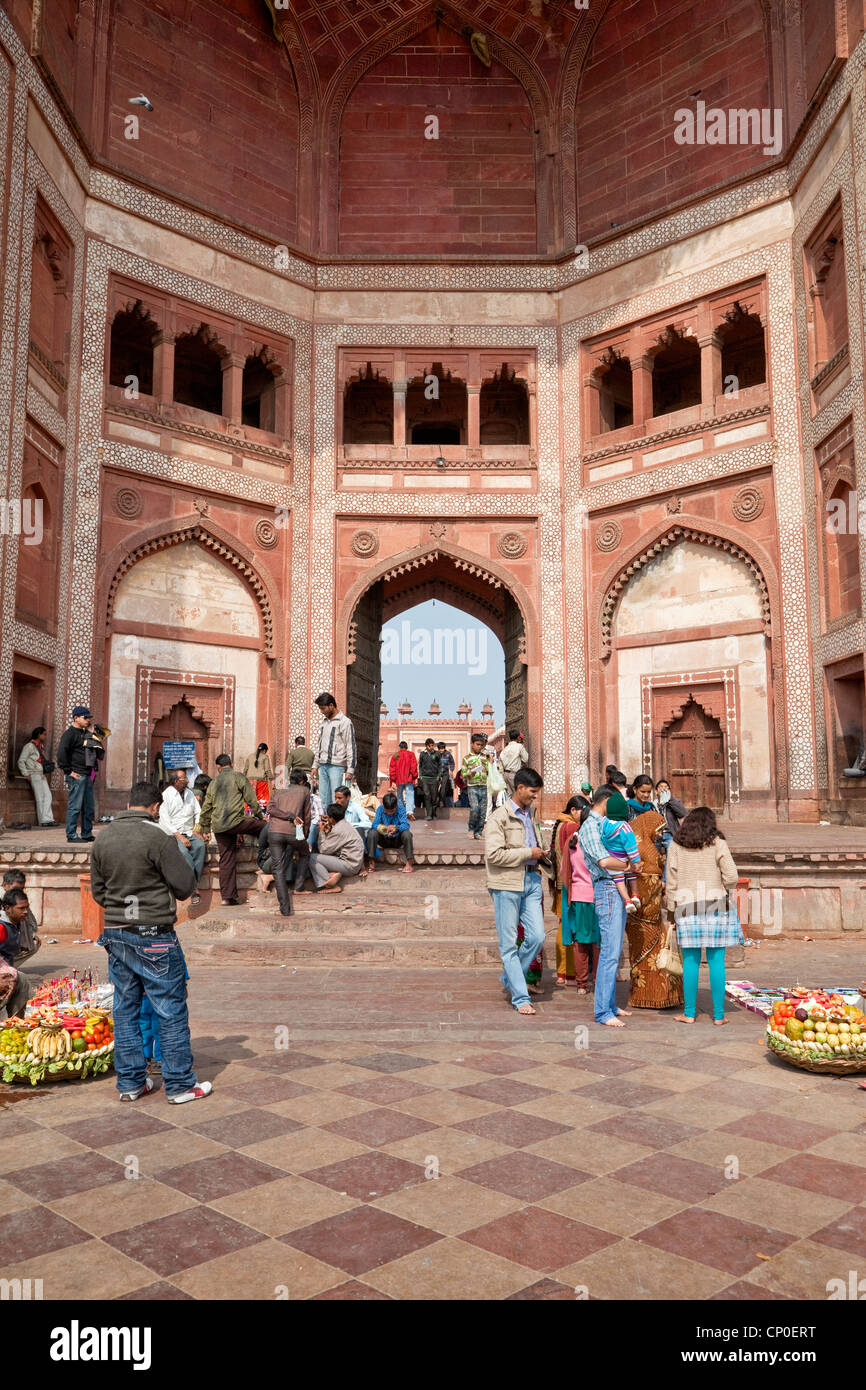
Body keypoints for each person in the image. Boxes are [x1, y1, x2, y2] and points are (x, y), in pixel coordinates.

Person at [90, 781, 210, 1103]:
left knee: (125, 1009)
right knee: (169, 1009)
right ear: (155, 808)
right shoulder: (157, 837)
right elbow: (185, 886)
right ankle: (180, 1085)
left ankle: (130, 1083)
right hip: (153, 934)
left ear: (129, 804)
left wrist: (122, 905)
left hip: (117, 932)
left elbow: (98, 893)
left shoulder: (104, 838)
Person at [666, 806, 743, 1027]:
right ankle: (719, 1015)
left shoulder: (676, 845)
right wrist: (721, 886)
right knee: (716, 961)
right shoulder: (717, 842)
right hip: (716, 905)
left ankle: (689, 1013)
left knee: (690, 962)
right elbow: (732, 876)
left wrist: (671, 908)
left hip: (686, 907)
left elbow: (671, 881)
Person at [485, 767, 551, 1017]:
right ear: (520, 787)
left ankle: (510, 977)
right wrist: (527, 853)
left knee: (536, 937)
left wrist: (542, 855)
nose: (535, 796)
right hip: (506, 884)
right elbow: (493, 854)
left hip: (532, 880)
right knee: (509, 943)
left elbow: (536, 844)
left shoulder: (530, 814)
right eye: (532, 792)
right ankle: (520, 996)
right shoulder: (499, 818)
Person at [579, 786, 634, 1027]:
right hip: (607, 887)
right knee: (610, 952)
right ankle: (602, 1011)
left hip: (615, 887)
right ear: (606, 801)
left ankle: (609, 1004)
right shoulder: (590, 827)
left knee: (613, 949)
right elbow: (604, 860)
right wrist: (631, 866)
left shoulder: (604, 825)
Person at [626, 808, 683, 1010]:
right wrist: (660, 885)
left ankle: (646, 995)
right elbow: (644, 883)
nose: (660, 834)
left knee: (650, 955)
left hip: (645, 913)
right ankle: (656, 996)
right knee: (654, 956)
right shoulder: (644, 849)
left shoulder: (640, 844)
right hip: (644, 913)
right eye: (658, 830)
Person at [195, 753, 267, 905]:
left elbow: (206, 807)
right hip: (236, 823)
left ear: (219, 767)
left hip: (220, 826)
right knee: (265, 827)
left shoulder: (214, 782)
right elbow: (251, 800)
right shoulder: (239, 777)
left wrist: (205, 827)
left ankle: (227, 898)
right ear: (231, 764)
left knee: (226, 859)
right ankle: (268, 858)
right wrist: (260, 817)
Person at [548, 796, 589, 987]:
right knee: (569, 927)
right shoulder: (572, 828)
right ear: (573, 810)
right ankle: (568, 972)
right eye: (582, 811)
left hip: (561, 883)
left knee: (564, 925)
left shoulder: (561, 824)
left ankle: (563, 973)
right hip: (571, 885)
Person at [559, 816, 601, 997]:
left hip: (577, 895)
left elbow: (564, 870)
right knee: (599, 943)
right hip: (598, 895)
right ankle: (599, 980)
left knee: (580, 943)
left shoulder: (572, 840)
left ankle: (581, 984)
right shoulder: (597, 839)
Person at [267, 769, 312, 916]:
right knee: (305, 853)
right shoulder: (305, 791)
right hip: (294, 832)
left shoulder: (279, 791)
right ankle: (298, 887)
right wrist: (305, 834)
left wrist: (287, 815)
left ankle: (285, 909)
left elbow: (270, 809)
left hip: (274, 832)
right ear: (301, 782)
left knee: (278, 870)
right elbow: (307, 816)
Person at [57, 705, 104, 843]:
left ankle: (86, 833)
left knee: (88, 807)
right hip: (77, 775)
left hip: (87, 775)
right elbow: (61, 754)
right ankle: (71, 834)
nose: (88, 720)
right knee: (75, 806)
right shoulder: (69, 734)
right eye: (85, 718)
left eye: (89, 718)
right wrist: (68, 771)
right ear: (76, 718)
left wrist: (93, 733)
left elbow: (99, 749)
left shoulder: (85, 733)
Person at [158, 769, 206, 903]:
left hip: (190, 831)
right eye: (184, 779)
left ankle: (193, 884)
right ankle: (193, 889)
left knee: (200, 847)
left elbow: (198, 813)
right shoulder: (166, 796)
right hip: (173, 834)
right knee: (184, 853)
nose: (188, 781)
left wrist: (197, 829)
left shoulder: (190, 794)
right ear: (176, 781)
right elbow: (165, 820)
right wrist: (180, 837)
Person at [295, 801, 364, 894]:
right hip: (354, 863)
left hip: (349, 865)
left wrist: (322, 832)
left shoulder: (338, 830)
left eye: (328, 817)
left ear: (331, 818)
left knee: (311, 857)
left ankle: (328, 882)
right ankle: (332, 875)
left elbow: (324, 850)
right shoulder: (345, 825)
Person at [599, 791, 642, 914]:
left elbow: (600, 832)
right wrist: (636, 861)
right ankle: (635, 894)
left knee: (619, 880)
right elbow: (631, 846)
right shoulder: (624, 827)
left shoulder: (604, 822)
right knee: (631, 873)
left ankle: (627, 900)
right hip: (624, 858)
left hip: (611, 859)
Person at [312, 693, 357, 808]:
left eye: (323, 708)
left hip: (336, 766)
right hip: (323, 766)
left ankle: (337, 825)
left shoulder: (345, 722)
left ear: (331, 705)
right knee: (322, 800)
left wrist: (350, 770)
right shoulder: (324, 722)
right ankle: (326, 825)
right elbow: (320, 745)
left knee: (336, 799)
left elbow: (350, 746)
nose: (321, 711)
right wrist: (315, 765)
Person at [0, 889, 33, 1017]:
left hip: (7, 967)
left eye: (27, 908)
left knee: (22, 980)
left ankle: (16, 1024)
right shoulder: (2, 928)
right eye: (21, 908)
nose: (25, 912)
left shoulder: (16, 923)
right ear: (8, 908)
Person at [365, 791, 414, 875]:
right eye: (387, 811)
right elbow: (374, 824)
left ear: (396, 806)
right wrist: (385, 828)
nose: (389, 813)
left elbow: (406, 825)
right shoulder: (380, 809)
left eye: (392, 811)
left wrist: (396, 828)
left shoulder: (401, 809)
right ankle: (371, 861)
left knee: (407, 834)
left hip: (397, 839)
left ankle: (409, 863)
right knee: (372, 833)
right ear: (383, 806)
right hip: (384, 839)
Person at [17, 726, 58, 827]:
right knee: (40, 797)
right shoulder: (29, 746)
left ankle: (49, 819)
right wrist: (25, 774)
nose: (45, 736)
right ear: (38, 734)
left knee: (48, 795)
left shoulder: (40, 746)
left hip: (41, 774)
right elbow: (21, 760)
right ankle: (43, 821)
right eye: (44, 734)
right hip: (34, 773)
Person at [1, 869, 41, 964]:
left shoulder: (19, 900)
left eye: (21, 889)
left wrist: (30, 935)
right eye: (15, 889)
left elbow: (31, 922)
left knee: (33, 944)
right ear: (5, 885)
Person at [460, 733, 491, 839]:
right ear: (472, 744)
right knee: (474, 808)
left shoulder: (484, 757)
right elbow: (463, 774)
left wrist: (490, 760)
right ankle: (471, 829)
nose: (480, 747)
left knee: (483, 811)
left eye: (482, 745)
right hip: (472, 786)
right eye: (478, 744)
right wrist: (469, 774)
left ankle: (478, 832)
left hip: (483, 785)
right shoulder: (467, 758)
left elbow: (489, 770)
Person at [388, 741, 418, 818]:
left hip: (399, 778)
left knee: (399, 796)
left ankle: (401, 812)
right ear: (407, 747)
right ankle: (409, 811)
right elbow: (414, 767)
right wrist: (414, 776)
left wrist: (393, 780)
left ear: (400, 747)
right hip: (408, 778)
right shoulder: (411, 754)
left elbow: (392, 768)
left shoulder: (396, 755)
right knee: (410, 795)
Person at [243, 743, 273, 811]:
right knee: (262, 800)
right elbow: (267, 770)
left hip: (249, 781)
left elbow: (245, 770)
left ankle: (248, 813)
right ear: (264, 750)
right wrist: (272, 779)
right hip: (261, 782)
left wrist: (244, 779)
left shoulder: (250, 756)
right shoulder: (265, 757)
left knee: (250, 798)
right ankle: (261, 815)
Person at [417, 739, 442, 821]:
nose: (431, 747)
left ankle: (434, 814)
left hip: (434, 778)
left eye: (432, 745)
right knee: (427, 796)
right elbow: (420, 765)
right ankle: (428, 815)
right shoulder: (422, 754)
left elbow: (440, 765)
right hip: (425, 778)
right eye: (429, 746)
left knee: (434, 797)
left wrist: (438, 776)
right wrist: (420, 775)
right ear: (426, 746)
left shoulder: (437, 754)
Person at [499, 730, 528, 796]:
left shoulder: (505, 749)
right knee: (518, 795)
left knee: (510, 795)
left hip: (505, 775)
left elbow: (500, 764)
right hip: (513, 774)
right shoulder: (519, 746)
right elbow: (525, 758)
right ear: (518, 737)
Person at [436, 743, 455, 808]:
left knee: (443, 787)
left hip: (445, 773)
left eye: (442, 749)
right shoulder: (436, 754)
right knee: (435, 787)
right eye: (440, 749)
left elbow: (452, 763)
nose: (441, 750)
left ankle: (441, 801)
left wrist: (451, 770)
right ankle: (435, 801)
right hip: (437, 773)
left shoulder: (448, 754)